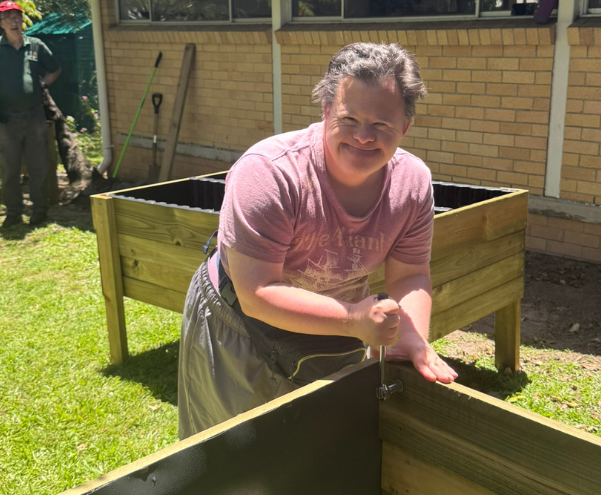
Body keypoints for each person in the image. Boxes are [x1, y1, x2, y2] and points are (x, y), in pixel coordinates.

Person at [178, 42, 458, 438]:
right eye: (349, 119)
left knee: (316, 445)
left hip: (335, 318)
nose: (364, 137)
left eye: (381, 125)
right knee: (233, 452)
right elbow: (256, 293)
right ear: (325, 111)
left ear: (405, 127)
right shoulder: (269, 173)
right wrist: (352, 319)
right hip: (236, 318)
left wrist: (408, 337)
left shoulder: (412, 184)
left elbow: (411, 272)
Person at [0, 1, 61, 228]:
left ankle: (40, 210)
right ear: (1, 23)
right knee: (10, 168)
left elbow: (55, 68)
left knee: (38, 166)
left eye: (17, 17)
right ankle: (13, 212)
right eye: (9, 18)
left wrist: (43, 83)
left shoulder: (35, 45)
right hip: (6, 117)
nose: (14, 22)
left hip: (34, 115)